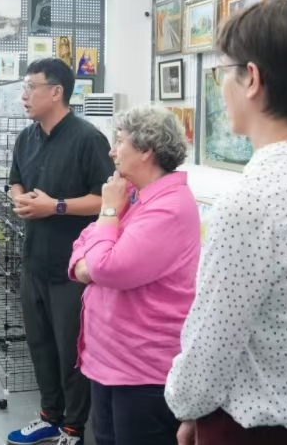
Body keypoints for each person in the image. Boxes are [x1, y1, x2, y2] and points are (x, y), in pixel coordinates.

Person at [165, 0, 287, 445]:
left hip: (251, 431)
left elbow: (212, 344)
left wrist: (188, 407)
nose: (221, 88)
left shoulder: (248, 204)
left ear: (251, 78)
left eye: (223, 72)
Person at [68, 106, 200, 445]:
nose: (112, 152)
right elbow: (84, 242)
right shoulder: (136, 194)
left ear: (146, 151)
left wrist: (108, 211)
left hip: (142, 372)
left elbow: (106, 267)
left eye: (120, 141)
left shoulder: (168, 207)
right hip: (111, 363)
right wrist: (88, 263)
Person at [6, 58, 114, 445]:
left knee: (72, 350)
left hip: (74, 267)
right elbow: (15, 181)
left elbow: (107, 199)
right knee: (39, 344)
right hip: (34, 259)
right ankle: (50, 416)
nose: (24, 95)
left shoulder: (88, 139)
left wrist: (56, 206)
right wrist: (20, 199)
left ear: (56, 91)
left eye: (30, 87)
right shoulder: (26, 137)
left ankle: (74, 427)